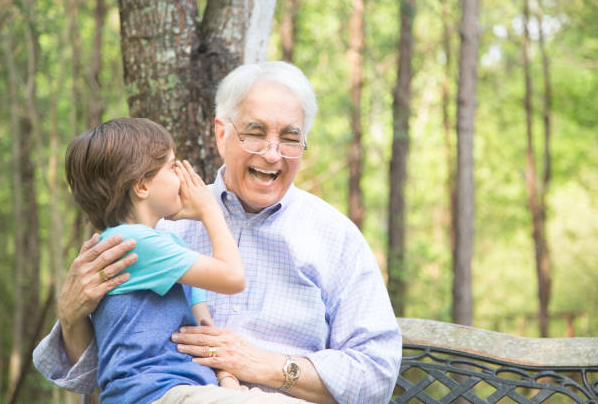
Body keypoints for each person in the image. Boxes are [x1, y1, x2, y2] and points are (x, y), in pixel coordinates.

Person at [33, 62, 402, 404]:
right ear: (221, 133)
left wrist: (265, 366)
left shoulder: (335, 236)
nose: (273, 154)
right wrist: (70, 316)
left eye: (290, 138)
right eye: (255, 133)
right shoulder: (157, 223)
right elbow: (99, 371)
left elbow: (377, 375)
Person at [60, 117, 308, 404]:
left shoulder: (170, 248)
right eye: (172, 165)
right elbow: (233, 277)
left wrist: (230, 385)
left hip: (191, 391)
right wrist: (209, 211)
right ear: (142, 186)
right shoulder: (132, 243)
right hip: (154, 394)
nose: (182, 174)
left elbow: (204, 331)